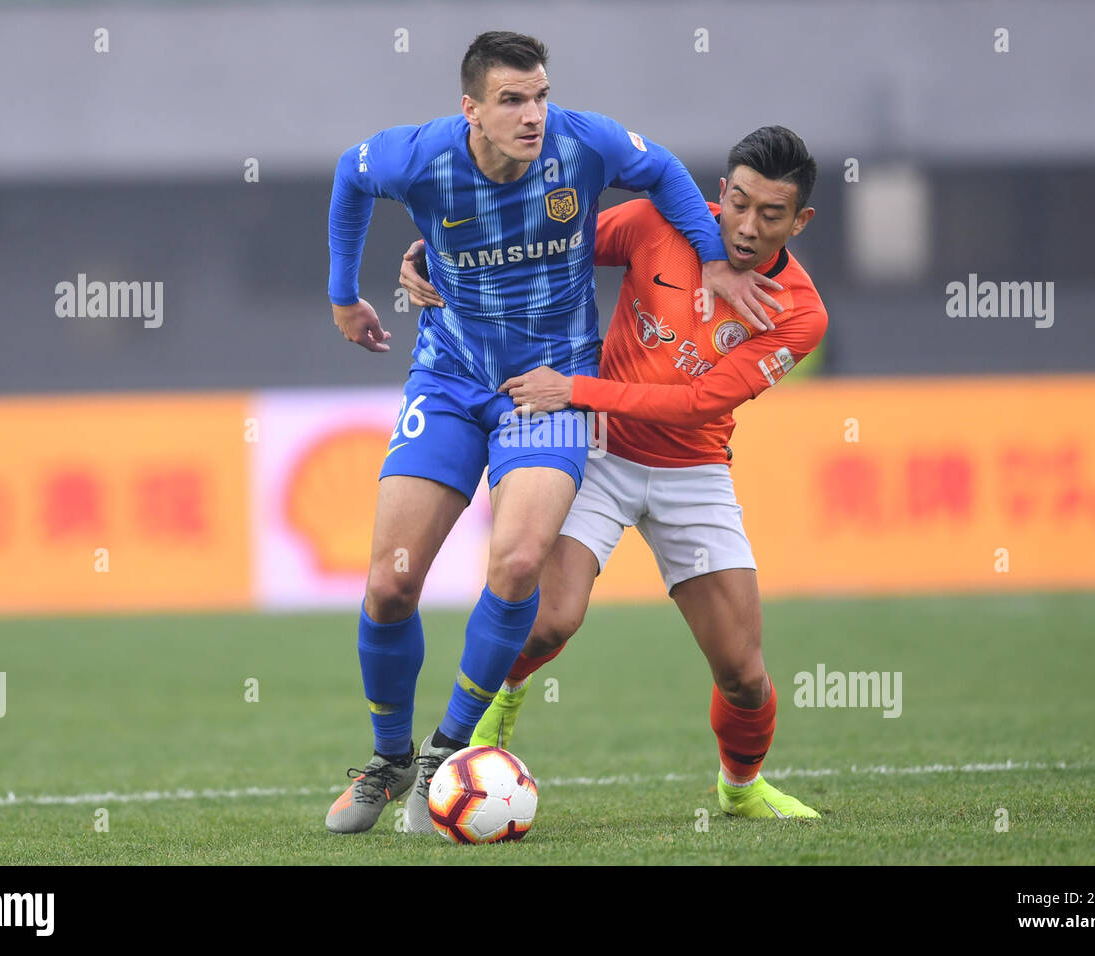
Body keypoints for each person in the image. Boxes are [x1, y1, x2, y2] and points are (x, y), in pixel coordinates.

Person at [326, 31, 782, 835]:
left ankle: (446, 751)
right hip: (449, 375)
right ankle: (388, 759)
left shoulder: (583, 144)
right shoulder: (418, 159)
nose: (534, 114)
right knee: (391, 583)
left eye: (539, 95)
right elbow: (348, 176)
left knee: (521, 559)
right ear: (470, 110)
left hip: (549, 389)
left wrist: (714, 256)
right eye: (512, 100)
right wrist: (345, 294)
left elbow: (665, 171)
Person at [399, 126, 827, 819]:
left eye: (770, 214)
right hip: (598, 453)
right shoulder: (657, 223)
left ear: (800, 220)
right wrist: (429, 255)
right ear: (720, 193)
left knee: (745, 676)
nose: (747, 227)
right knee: (546, 623)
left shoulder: (802, 313)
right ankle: (487, 720)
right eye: (739, 203)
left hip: (693, 472)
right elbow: (534, 245)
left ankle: (741, 791)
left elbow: (700, 405)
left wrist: (576, 388)